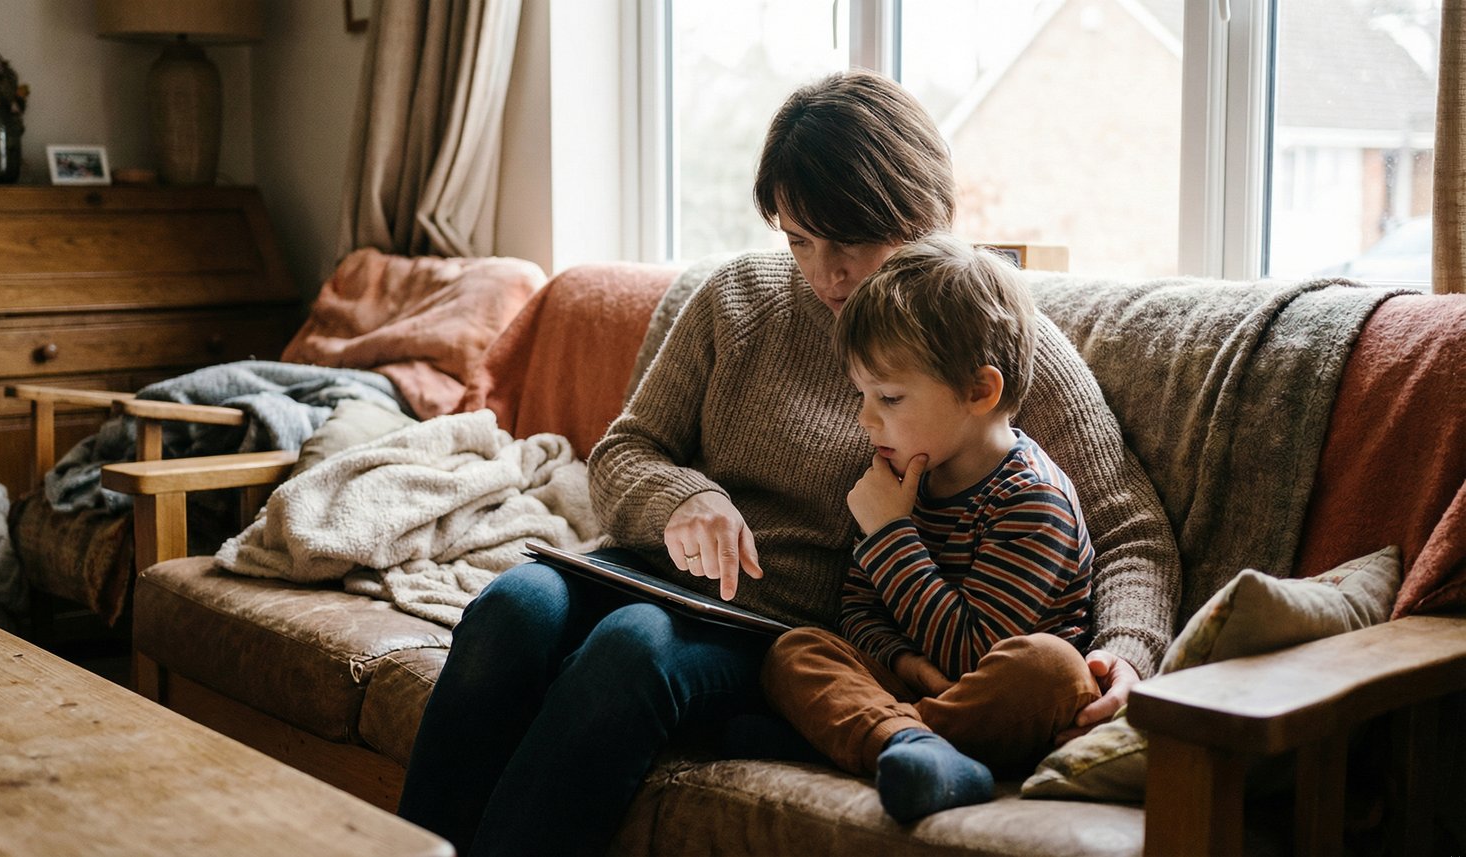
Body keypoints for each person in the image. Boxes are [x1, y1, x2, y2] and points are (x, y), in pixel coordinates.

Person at [397, 69, 1178, 854]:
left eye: (851, 243)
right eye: (801, 240)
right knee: (509, 608)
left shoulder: (976, 337)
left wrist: (1130, 655)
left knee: (630, 647)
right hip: (637, 565)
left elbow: (1126, 522)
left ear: (924, 218)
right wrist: (683, 497)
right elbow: (625, 450)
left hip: (774, 629)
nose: (826, 273)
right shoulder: (734, 299)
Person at [759, 233, 1098, 823]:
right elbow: (858, 612)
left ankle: (883, 737)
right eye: (862, 394)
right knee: (795, 649)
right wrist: (909, 668)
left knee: (1049, 668)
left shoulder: (1032, 499)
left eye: (888, 397)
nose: (865, 419)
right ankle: (913, 747)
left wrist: (892, 535)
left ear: (979, 391)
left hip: (999, 699)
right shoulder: (905, 481)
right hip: (912, 680)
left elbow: (976, 657)